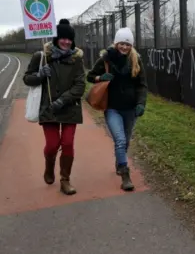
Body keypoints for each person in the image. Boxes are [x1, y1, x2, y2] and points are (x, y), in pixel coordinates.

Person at [22, 18, 86, 195]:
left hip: (69, 107)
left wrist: (63, 100)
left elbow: (80, 85)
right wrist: (40, 75)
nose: (66, 42)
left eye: (69, 39)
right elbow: (27, 79)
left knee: (67, 143)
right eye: (62, 38)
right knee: (52, 145)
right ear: (56, 38)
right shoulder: (41, 56)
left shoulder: (77, 59)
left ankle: (65, 180)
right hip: (48, 108)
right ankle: (49, 165)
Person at [87, 27, 147, 191]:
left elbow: (141, 85)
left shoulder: (136, 60)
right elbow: (90, 76)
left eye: (127, 44)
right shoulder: (106, 59)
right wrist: (101, 77)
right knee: (120, 140)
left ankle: (119, 162)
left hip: (130, 108)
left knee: (125, 141)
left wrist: (141, 103)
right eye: (121, 43)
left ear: (131, 46)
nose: (124, 47)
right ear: (116, 43)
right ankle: (125, 175)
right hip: (112, 107)